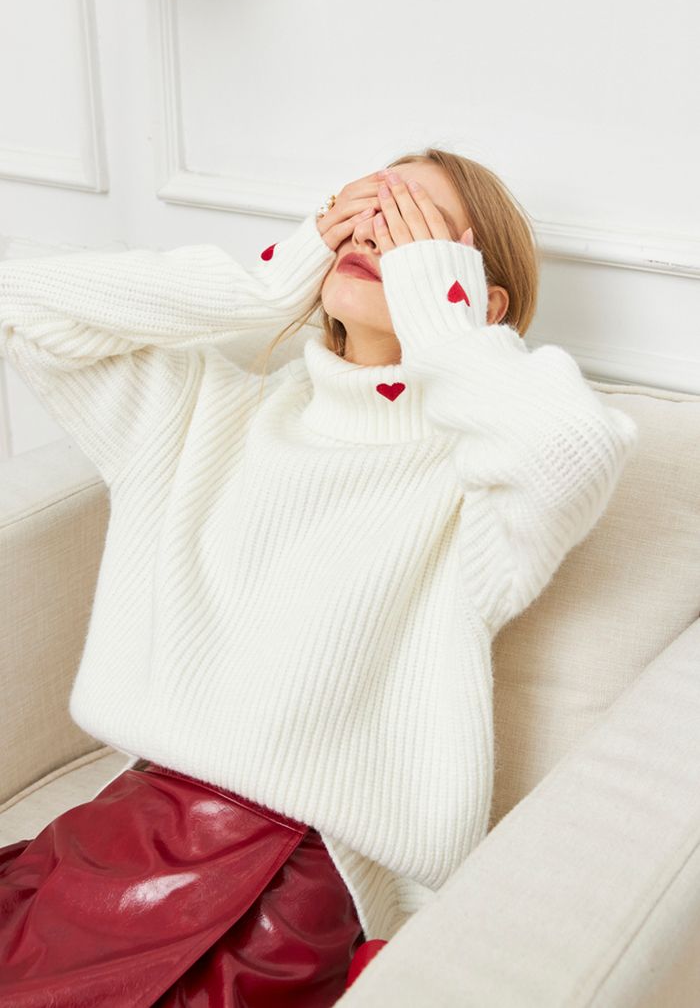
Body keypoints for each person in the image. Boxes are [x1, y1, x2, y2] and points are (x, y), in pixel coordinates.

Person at [0, 147, 639, 1006]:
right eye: (366, 207)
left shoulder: (472, 481)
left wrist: (450, 322)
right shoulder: (212, 413)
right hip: (123, 828)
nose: (375, 228)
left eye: (413, 224)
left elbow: (572, 451)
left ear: (470, 294)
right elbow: (24, 306)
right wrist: (266, 286)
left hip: (283, 869)